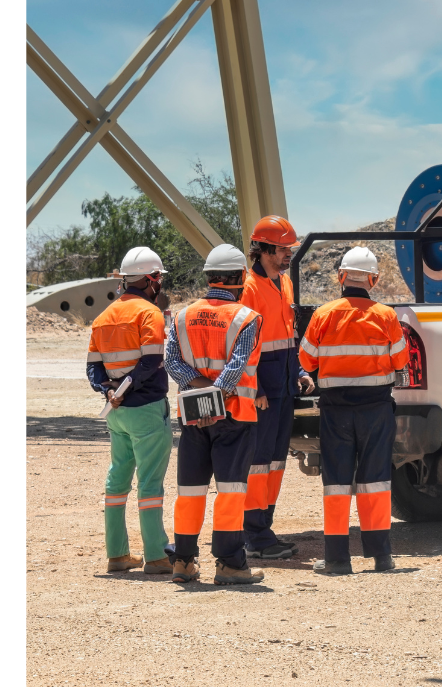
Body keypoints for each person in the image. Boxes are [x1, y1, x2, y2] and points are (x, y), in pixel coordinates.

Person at [298, 247, 408, 576]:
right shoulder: (386, 316)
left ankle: (336, 560)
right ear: (372, 280)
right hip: (376, 410)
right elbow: (401, 361)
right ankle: (381, 556)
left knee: (336, 484)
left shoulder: (323, 314)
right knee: (376, 481)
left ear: (341, 277)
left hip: (336, 412)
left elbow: (306, 361)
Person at [163, 244, 265, 586]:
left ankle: (183, 562)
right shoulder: (247, 318)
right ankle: (230, 564)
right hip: (233, 417)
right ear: (239, 278)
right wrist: (214, 402)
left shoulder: (181, 316)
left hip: (192, 418)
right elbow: (236, 368)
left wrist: (201, 399)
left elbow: (173, 363)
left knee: (190, 491)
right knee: (231, 491)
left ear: (209, 277)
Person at [87, 247, 174, 575]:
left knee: (118, 478)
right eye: (159, 279)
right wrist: (128, 386)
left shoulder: (103, 317)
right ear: (151, 280)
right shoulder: (149, 314)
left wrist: (110, 390)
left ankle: (118, 554)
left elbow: (94, 370)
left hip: (117, 412)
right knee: (150, 483)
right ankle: (155, 555)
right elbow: (151, 362)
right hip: (147, 409)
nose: (160, 284)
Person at [239, 216, 316, 560]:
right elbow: (243, 343)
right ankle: (252, 533)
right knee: (258, 462)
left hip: (284, 385)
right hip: (263, 391)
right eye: (283, 250)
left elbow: (287, 335)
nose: (288, 255)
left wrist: (299, 369)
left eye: (289, 250)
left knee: (274, 462)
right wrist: (253, 387)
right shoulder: (249, 288)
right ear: (265, 249)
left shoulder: (283, 283)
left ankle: (263, 527)